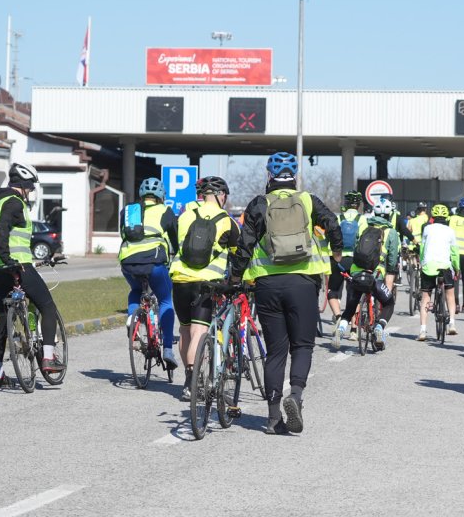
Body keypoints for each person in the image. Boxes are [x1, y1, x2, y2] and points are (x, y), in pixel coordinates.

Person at [229, 152, 341, 435]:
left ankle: (272, 417)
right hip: (303, 283)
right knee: (302, 346)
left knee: (276, 351)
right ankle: (296, 396)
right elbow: (333, 224)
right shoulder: (308, 200)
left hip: (268, 286)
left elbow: (244, 245)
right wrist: (337, 252)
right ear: (295, 176)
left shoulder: (258, 204)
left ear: (268, 175)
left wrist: (234, 277)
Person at [0, 163, 65, 388]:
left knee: (3, 320)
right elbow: (3, 231)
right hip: (17, 266)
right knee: (47, 307)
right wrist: (9, 258)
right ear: (24, 186)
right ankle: (48, 357)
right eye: (30, 189)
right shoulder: (14, 202)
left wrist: (1, 258)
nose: (29, 193)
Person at [169, 176, 239, 401]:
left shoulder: (185, 215)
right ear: (222, 196)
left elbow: (175, 242)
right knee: (199, 331)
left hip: (180, 279)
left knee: (185, 330)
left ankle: (189, 380)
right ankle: (194, 382)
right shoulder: (226, 220)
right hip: (206, 283)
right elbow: (239, 254)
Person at [119, 177, 179, 370]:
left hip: (128, 261)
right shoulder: (165, 211)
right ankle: (168, 349)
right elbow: (174, 237)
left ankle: (132, 318)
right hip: (154, 262)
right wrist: (176, 252)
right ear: (161, 195)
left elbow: (123, 235)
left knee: (135, 290)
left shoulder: (128, 210)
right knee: (165, 300)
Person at [334, 197, 399, 349]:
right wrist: (390, 272)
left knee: (351, 305)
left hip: (357, 272)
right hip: (375, 275)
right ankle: (379, 328)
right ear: (390, 215)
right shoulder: (391, 232)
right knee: (388, 303)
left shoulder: (363, 226)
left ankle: (341, 329)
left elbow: (356, 246)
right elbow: (392, 259)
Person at [417, 204, 458, 340]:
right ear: (446, 217)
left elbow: (422, 248)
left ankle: (423, 331)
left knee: (425, 297)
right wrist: (457, 268)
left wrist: (422, 262)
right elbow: (454, 252)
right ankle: (451, 323)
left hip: (429, 266)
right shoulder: (450, 231)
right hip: (445, 266)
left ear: (433, 217)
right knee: (449, 294)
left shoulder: (427, 228)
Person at [326, 191, 367, 329]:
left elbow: (331, 238)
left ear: (346, 203)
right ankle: (354, 329)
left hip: (338, 259)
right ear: (359, 204)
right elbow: (364, 242)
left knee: (333, 290)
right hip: (355, 261)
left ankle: (338, 317)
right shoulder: (362, 219)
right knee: (354, 293)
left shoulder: (338, 218)